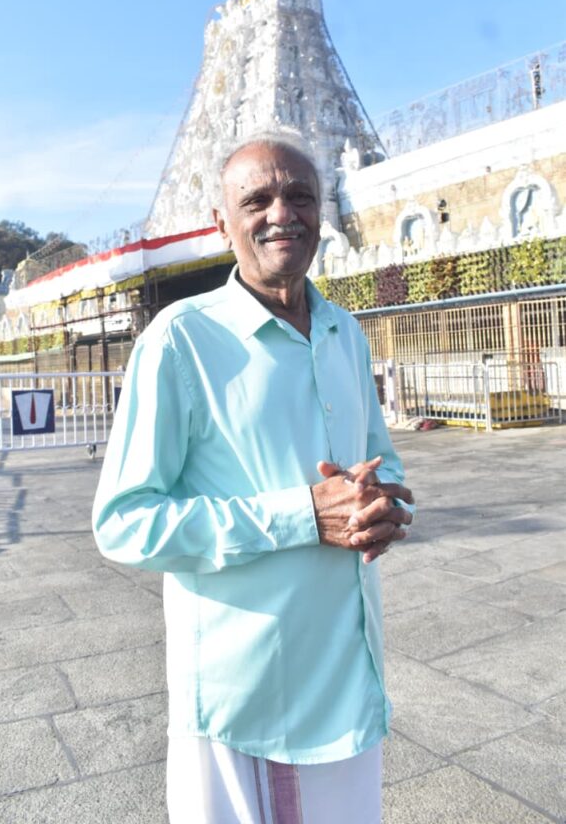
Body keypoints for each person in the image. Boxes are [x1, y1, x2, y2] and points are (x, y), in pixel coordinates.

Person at [92, 131, 414, 823]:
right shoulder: (181, 340)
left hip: (352, 681)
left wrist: (381, 501)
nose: (282, 214)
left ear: (322, 212)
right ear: (222, 223)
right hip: (250, 698)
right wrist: (304, 515)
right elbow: (124, 521)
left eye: (300, 197)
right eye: (257, 200)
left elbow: (379, 457)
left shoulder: (345, 333)